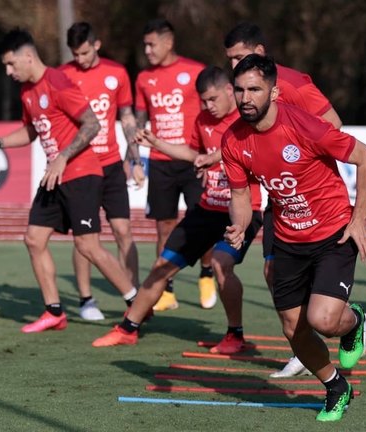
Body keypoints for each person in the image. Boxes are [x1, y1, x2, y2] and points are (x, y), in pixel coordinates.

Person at [222, 54, 366, 422]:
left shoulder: (305, 127)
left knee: (323, 319)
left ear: (274, 92)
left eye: (254, 90)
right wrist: (240, 225)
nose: (246, 98)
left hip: (333, 233)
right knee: (294, 328)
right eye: (240, 90)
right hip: (288, 238)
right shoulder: (232, 140)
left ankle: (354, 322)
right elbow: (241, 197)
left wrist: (359, 219)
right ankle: (336, 386)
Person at [0, 29, 137, 332]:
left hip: (81, 173)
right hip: (55, 176)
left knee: (88, 246)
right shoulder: (26, 91)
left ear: (28, 56)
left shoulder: (58, 81)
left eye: (11, 65)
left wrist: (62, 156)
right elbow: (31, 131)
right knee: (33, 239)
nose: (9, 72)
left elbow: (93, 124)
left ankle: (136, 302)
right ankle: (54, 312)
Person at [91, 65, 263, 352]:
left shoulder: (248, 119)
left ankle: (235, 335)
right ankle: (128, 328)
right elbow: (193, 153)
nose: (207, 106)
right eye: (203, 101)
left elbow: (247, 149)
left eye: (212, 99)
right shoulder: (203, 119)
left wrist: (215, 158)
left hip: (243, 210)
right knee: (162, 264)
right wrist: (157, 143)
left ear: (229, 91)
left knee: (222, 265)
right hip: (207, 208)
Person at [224, 22, 343, 378]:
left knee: (298, 287)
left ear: (260, 53)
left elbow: (333, 125)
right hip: (280, 197)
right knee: (272, 271)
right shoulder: (244, 92)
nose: (234, 67)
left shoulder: (292, 84)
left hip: (310, 196)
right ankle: (302, 344)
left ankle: (338, 325)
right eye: (229, 60)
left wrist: (299, 166)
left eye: (240, 57)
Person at [60, 22, 144, 320]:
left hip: (110, 165)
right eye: (75, 53)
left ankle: (135, 298)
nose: (80, 59)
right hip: (80, 167)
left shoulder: (117, 72)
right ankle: (86, 300)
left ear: (96, 45)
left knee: (124, 231)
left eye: (84, 52)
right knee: (86, 237)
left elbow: (127, 117)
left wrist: (134, 159)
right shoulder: (63, 75)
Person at [135, 18, 216, 311]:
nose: (147, 50)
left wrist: (210, 156)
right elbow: (140, 121)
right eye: (145, 44)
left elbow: (212, 111)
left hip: (193, 159)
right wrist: (133, 159)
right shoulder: (143, 78)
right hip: (159, 162)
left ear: (168, 42)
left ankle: (206, 275)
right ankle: (166, 290)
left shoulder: (194, 71)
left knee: (203, 223)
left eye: (151, 44)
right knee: (164, 226)